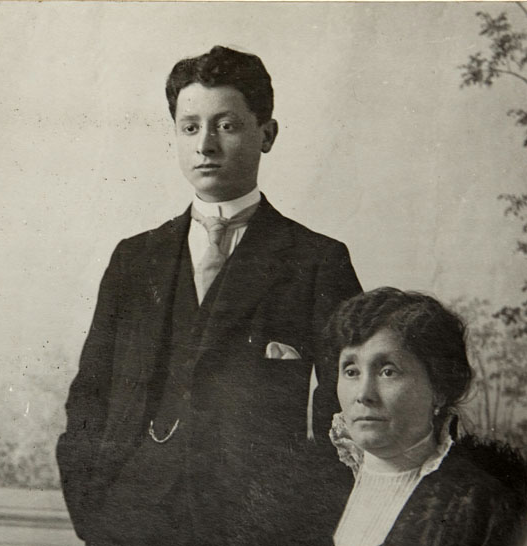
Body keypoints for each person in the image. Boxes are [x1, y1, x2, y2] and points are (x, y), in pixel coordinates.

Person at [57, 45, 362, 545]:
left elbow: (347, 406)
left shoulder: (316, 260)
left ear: (267, 134)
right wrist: (94, 510)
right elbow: (90, 393)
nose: (206, 145)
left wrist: (306, 520)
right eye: (190, 127)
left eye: (227, 125)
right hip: (132, 520)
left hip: (256, 527)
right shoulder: (134, 259)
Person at [323, 287, 526, 546]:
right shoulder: (312, 487)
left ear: (439, 389)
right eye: (351, 372)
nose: (363, 394)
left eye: (388, 372)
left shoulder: (484, 506)